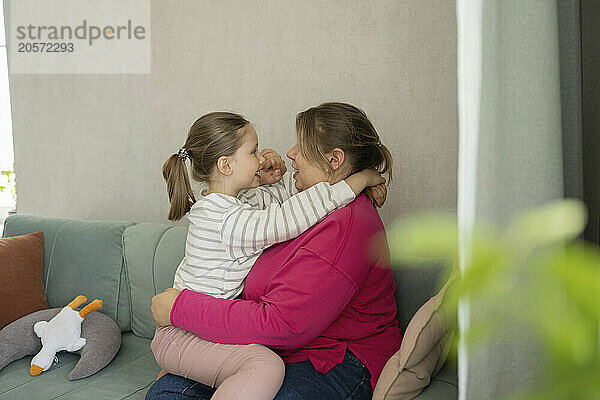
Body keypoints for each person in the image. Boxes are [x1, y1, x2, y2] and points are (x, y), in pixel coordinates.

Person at [147, 103, 402, 400]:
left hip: (329, 356)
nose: (290, 153)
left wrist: (181, 309)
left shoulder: (346, 225)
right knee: (168, 393)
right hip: (261, 343)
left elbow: (282, 324)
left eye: (301, 147)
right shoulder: (272, 210)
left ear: (334, 160)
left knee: (263, 380)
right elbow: (289, 209)